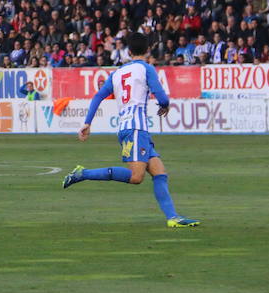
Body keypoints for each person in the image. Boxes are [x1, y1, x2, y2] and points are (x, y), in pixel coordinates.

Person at [61, 32, 200, 228]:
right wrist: (165, 104)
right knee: (136, 177)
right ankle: (83, 174)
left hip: (129, 127)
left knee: (160, 172)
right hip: (136, 128)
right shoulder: (146, 68)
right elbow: (162, 96)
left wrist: (87, 122)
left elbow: (98, 97)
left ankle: (173, 217)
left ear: (129, 50)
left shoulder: (117, 73)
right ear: (148, 49)